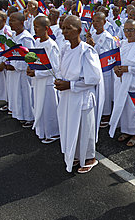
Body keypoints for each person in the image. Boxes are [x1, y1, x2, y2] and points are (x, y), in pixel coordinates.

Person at [55, 15, 104, 174]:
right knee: (69, 125)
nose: (65, 31)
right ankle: (74, 154)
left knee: (84, 128)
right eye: (63, 28)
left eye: (69, 28)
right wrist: (60, 81)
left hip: (82, 96)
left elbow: (93, 78)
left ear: (79, 30)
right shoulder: (64, 48)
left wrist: (71, 84)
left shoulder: (87, 51)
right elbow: (61, 70)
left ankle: (89, 157)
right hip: (68, 95)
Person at [109, 19, 135, 146]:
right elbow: (115, 61)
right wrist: (116, 68)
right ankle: (126, 130)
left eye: (131, 30)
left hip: (134, 82)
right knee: (123, 106)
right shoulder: (121, 44)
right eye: (126, 30)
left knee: (133, 109)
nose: (128, 33)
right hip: (121, 81)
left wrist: (129, 69)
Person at [27, 16, 60, 144]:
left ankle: (53, 132)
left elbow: (55, 68)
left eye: (37, 27)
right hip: (38, 81)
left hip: (47, 82)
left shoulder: (51, 45)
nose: (34, 29)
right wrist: (31, 69)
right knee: (39, 105)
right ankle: (42, 130)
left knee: (48, 108)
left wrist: (37, 72)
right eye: (34, 26)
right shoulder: (37, 42)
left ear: (46, 28)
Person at [4, 12, 35, 127]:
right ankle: (19, 114)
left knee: (25, 94)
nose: (10, 23)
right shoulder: (13, 36)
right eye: (10, 20)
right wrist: (8, 62)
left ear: (22, 22)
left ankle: (29, 117)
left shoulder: (26, 38)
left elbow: (30, 57)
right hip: (13, 71)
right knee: (16, 93)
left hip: (22, 72)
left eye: (13, 20)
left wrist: (16, 66)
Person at [86, 12, 116, 127]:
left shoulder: (107, 37)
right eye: (93, 21)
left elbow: (106, 55)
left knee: (105, 91)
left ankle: (106, 113)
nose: (95, 23)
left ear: (104, 22)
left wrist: (94, 46)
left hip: (105, 68)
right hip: (94, 67)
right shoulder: (92, 34)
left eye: (98, 21)